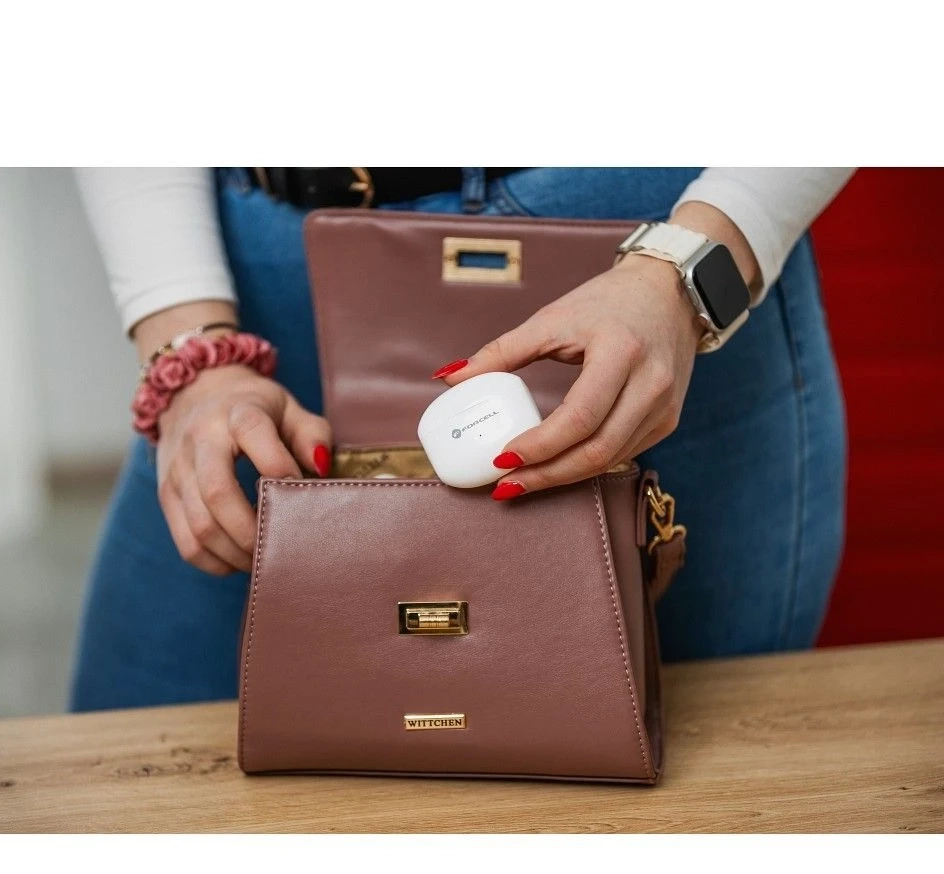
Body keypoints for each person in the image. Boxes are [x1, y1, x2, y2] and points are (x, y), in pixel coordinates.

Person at [71, 167, 853, 711]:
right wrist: (191, 351)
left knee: (711, 789)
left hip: (659, 258)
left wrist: (685, 273)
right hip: (266, 279)